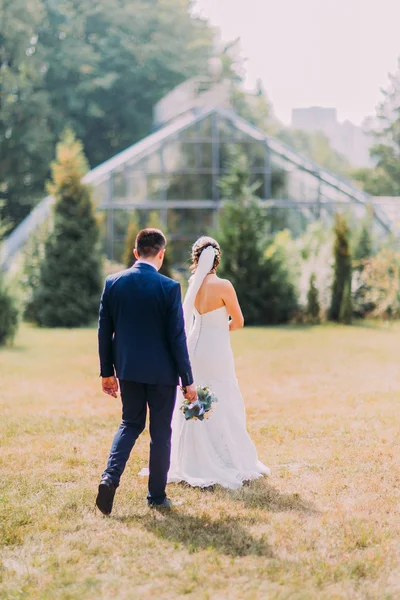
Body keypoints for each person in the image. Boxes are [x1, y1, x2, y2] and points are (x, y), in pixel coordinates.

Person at [96, 228, 196, 515]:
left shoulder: (113, 283)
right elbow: (177, 338)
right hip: (162, 374)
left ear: (135, 252)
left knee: (130, 423)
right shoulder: (168, 288)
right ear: (161, 254)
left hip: (127, 370)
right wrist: (187, 380)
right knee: (160, 432)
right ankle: (156, 496)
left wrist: (107, 372)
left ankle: (109, 478)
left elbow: (104, 332)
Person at [168, 236, 270, 488]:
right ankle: (225, 458)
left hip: (193, 347)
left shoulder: (192, 283)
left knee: (193, 396)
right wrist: (220, 328)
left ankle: (192, 458)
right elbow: (238, 321)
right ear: (216, 259)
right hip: (216, 349)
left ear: (196, 258)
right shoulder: (224, 285)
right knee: (224, 396)